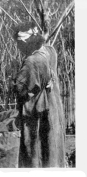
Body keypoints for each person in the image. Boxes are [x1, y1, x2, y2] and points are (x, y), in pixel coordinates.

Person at [12, 22, 65, 167]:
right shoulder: (50, 51)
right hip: (53, 107)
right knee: (51, 146)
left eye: (19, 44)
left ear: (25, 42)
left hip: (37, 111)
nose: (18, 47)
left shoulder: (31, 61)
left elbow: (21, 89)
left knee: (36, 150)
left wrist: (15, 83)